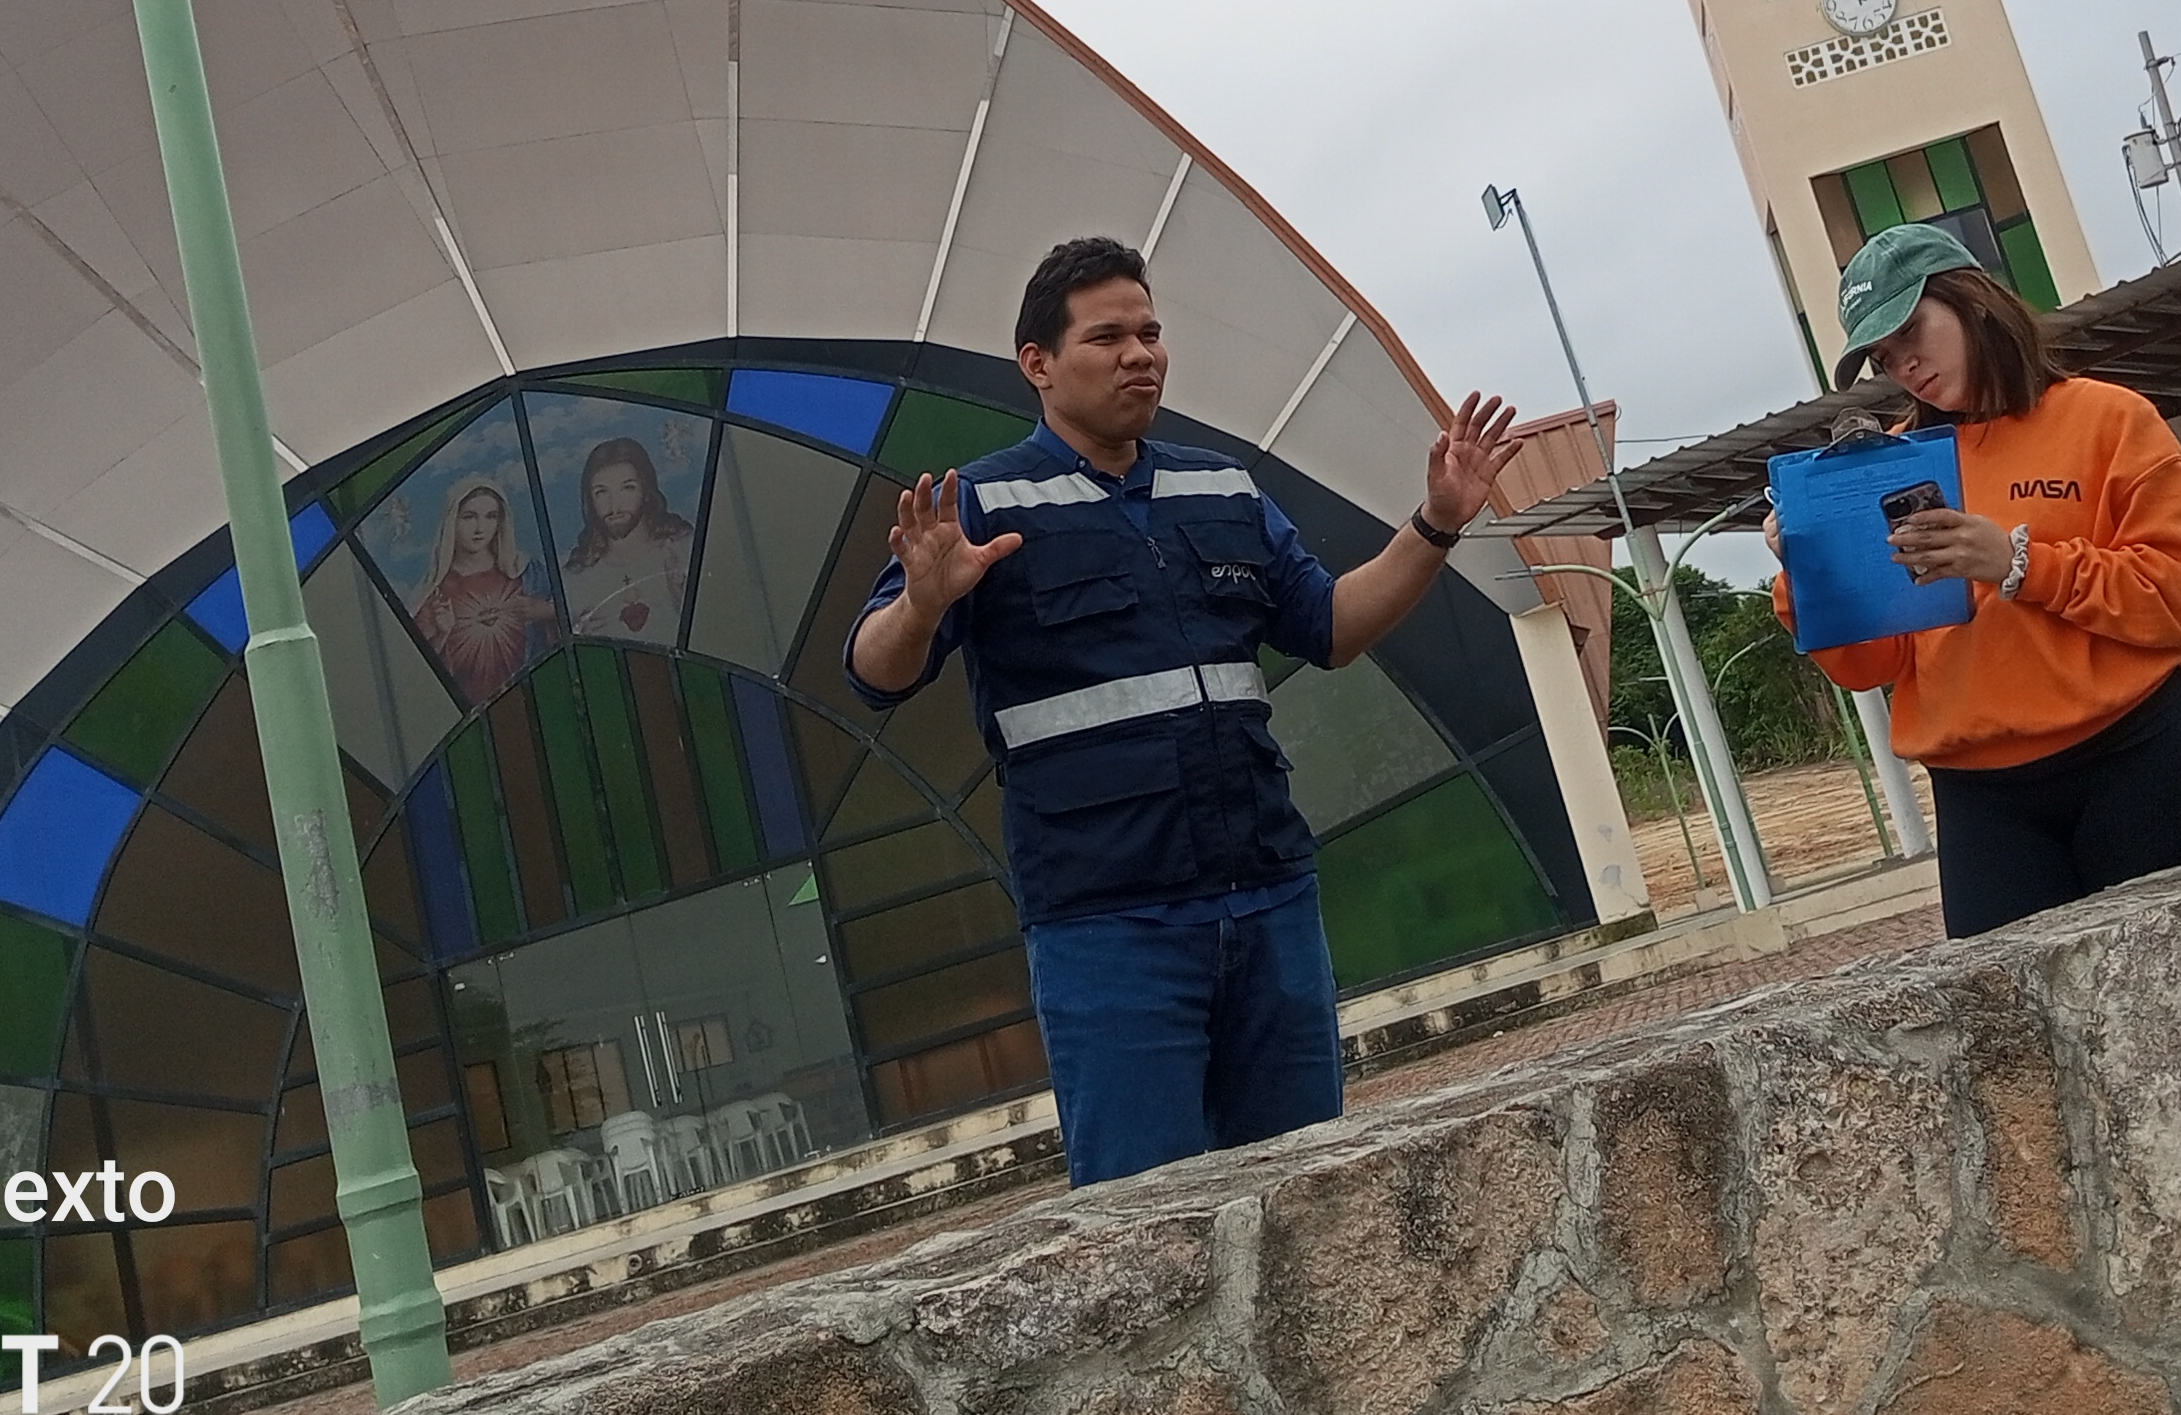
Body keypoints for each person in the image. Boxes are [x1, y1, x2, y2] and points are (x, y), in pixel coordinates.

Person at [845, 235, 1525, 1186]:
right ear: (1038, 363)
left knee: (1307, 1194)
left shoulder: (1223, 487)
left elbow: (1331, 626)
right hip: (1109, 930)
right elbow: (873, 671)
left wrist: (1438, 521)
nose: (1141, 355)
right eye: (1107, 337)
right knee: (1144, 1219)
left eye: (1151, 333)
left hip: (1269, 902)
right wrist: (922, 602)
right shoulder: (984, 505)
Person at [1775, 226, 2181, 939]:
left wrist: (2021, 564)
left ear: (1975, 300)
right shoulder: (1886, 466)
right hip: (1981, 800)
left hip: (2140, 757)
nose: (1905, 365)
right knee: (2012, 1012)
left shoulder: (2108, 418)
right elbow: (1868, 665)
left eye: (1911, 332)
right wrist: (1807, 573)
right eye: (1884, 357)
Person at [412, 477, 560, 705]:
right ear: (452, 521)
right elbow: (419, 676)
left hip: (537, 699)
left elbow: (578, 616)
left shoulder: (527, 572)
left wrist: (547, 611)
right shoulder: (435, 594)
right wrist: (442, 634)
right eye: (469, 517)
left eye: (491, 516)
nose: (480, 529)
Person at [560, 430, 699, 642]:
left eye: (627, 488)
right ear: (589, 500)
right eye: (601, 492)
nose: (614, 506)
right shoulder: (574, 579)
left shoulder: (685, 549)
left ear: (646, 491)